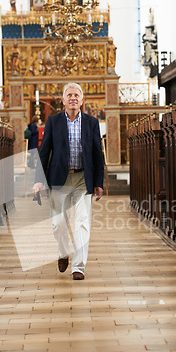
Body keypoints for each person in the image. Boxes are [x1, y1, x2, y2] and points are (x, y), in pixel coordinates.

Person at [32, 82, 104, 280]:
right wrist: (39, 180)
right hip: (58, 179)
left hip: (83, 178)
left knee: (82, 222)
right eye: (69, 95)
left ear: (82, 100)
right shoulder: (53, 121)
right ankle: (63, 252)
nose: (73, 98)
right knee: (57, 223)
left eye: (76, 95)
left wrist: (99, 182)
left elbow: (98, 154)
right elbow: (44, 151)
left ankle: (78, 266)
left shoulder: (91, 122)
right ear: (63, 100)